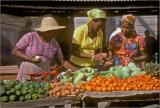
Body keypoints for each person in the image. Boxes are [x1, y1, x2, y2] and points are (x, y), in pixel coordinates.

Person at [12, 16, 77, 82]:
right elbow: (15, 51)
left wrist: (75, 69)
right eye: (52, 31)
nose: (54, 33)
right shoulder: (30, 36)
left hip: (44, 75)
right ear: (44, 31)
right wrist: (30, 59)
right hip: (29, 72)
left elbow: (62, 61)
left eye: (55, 31)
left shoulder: (55, 43)